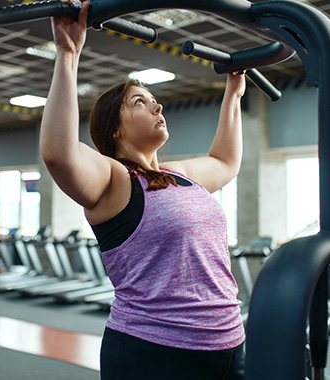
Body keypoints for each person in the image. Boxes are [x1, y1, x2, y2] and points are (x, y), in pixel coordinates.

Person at [40, 0, 246, 378]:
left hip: (228, 345)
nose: (157, 107)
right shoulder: (114, 180)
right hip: (155, 353)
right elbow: (58, 153)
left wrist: (233, 92)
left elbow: (226, 162)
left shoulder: (178, 175)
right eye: (140, 102)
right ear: (115, 129)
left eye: (155, 101)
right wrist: (68, 55)